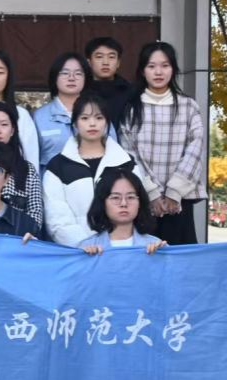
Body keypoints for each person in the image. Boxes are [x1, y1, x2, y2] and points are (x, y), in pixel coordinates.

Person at [117, 41, 207, 245]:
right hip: (143, 199)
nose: (158, 72)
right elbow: (129, 154)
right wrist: (151, 192)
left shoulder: (188, 106)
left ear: (173, 69)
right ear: (142, 71)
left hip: (180, 201)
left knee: (180, 259)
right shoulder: (132, 108)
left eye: (165, 65)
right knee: (146, 256)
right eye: (151, 66)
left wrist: (175, 190)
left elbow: (195, 149)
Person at [43, 93, 139, 247]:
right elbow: (57, 217)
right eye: (85, 118)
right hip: (76, 251)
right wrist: (85, 245)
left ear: (107, 123)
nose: (92, 124)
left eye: (99, 118)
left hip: (120, 249)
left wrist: (114, 244)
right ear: (75, 123)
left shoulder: (126, 163)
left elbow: (137, 207)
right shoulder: (58, 166)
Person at [79, 169, 166, 254]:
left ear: (140, 203)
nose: (123, 203)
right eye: (115, 197)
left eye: (130, 197)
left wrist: (161, 257)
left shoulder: (156, 246)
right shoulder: (86, 248)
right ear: (102, 203)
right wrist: (87, 259)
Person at [32, 52, 92, 170]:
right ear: (55, 78)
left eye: (78, 73)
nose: (71, 78)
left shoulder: (97, 114)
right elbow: (31, 159)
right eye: (65, 73)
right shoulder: (39, 117)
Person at [85, 36, 133, 125]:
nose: (105, 62)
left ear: (118, 63)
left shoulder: (130, 91)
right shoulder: (80, 90)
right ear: (89, 62)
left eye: (111, 57)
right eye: (99, 57)